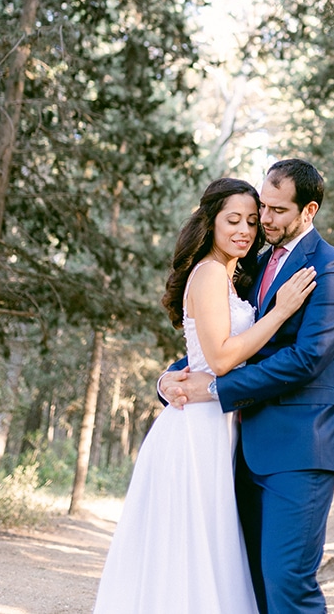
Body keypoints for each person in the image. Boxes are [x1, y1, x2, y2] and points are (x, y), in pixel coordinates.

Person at [93, 177, 316, 614]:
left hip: (219, 422)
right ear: (209, 222)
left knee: (210, 548)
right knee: (190, 549)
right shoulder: (211, 272)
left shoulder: (234, 278)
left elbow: (198, 359)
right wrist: (281, 312)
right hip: (196, 430)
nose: (245, 230)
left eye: (253, 221)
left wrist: (165, 379)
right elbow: (217, 359)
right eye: (232, 219)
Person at [159, 158, 334, 614]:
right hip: (240, 447)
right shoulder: (257, 264)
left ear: (308, 211)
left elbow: (305, 360)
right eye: (260, 209)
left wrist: (210, 390)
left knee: (287, 581)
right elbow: (228, 342)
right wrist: (171, 379)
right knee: (249, 584)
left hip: (301, 448)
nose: (263, 220)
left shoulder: (332, 271)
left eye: (275, 211)